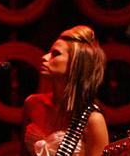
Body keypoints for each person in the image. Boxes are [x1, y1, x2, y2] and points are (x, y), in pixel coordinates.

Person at [21, 25, 109, 156]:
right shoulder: (32, 104)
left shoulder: (93, 120)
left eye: (55, 54)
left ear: (76, 63)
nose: (45, 57)